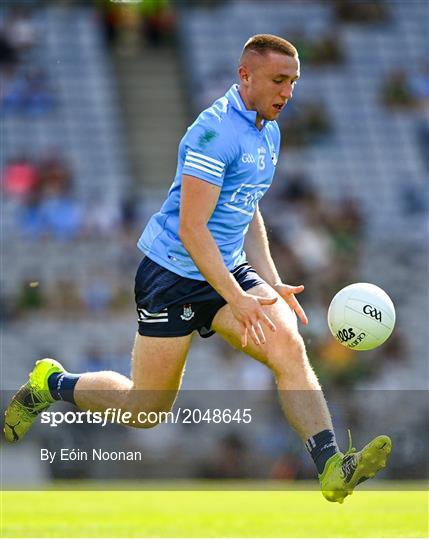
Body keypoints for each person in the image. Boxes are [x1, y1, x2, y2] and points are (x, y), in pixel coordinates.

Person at [4, 34, 391, 503]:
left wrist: (267, 278)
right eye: (278, 80)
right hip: (172, 275)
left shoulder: (268, 129)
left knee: (289, 346)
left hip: (227, 268)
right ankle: (51, 384)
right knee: (145, 409)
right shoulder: (213, 133)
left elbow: (247, 205)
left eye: (293, 81)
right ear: (245, 76)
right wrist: (237, 296)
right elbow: (191, 228)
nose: (287, 92)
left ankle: (331, 466)